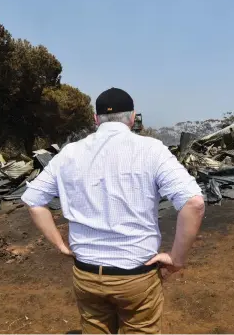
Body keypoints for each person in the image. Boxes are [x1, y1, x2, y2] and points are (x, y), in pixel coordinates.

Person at [21, 87, 205, 334]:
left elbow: (33, 199)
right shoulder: (152, 150)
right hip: (136, 276)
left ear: (96, 119)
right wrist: (176, 259)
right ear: (132, 117)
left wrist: (60, 245)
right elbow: (194, 203)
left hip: (86, 274)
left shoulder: (70, 153)